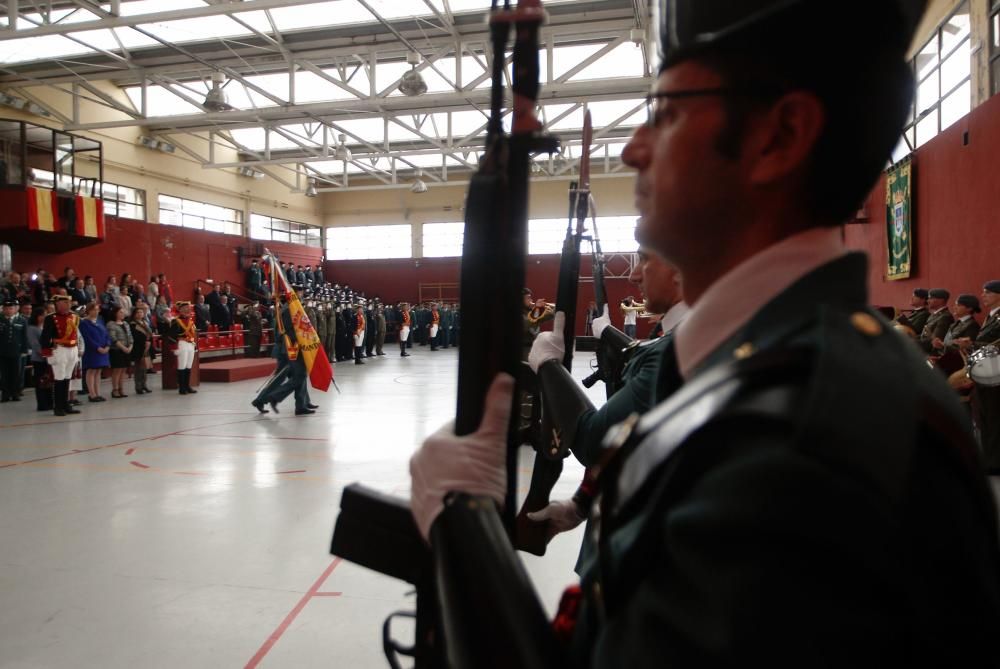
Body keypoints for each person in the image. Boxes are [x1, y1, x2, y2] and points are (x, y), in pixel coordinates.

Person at [408, 1, 1000, 665]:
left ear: (779, 137)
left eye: (666, 112)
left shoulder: (808, 444)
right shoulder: (749, 375)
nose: (634, 148)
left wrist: (464, 533)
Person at [525, 247, 688, 568]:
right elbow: (637, 443)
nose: (633, 274)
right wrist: (582, 504)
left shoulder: (675, 349)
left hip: (636, 548)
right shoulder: (682, 337)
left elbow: (599, 443)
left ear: (681, 268)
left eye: (645, 259)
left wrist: (548, 366)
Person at [40, 295, 82, 416]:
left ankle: (66, 404)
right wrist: (47, 350)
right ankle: (58, 406)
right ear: (58, 305)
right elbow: (45, 336)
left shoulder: (74, 316)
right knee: (59, 378)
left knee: (68, 377)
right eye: (64, 303)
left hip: (72, 349)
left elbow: (75, 334)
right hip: (59, 350)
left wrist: (77, 348)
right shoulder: (51, 318)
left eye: (68, 302)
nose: (67, 305)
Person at [79, 301, 110, 402]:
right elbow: (87, 338)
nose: (96, 312)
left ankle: (98, 393)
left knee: (98, 371)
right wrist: (97, 347)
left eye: (97, 310)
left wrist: (107, 345)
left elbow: (106, 334)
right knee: (91, 370)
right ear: (88, 311)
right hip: (92, 351)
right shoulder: (84, 323)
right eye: (94, 310)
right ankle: (92, 394)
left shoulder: (100, 321)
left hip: (103, 349)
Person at [25, 306, 53, 411]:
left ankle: (50, 402)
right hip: (39, 359)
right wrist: (44, 353)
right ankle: (42, 404)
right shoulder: (32, 328)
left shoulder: (45, 327)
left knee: (48, 381)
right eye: (42, 315)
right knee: (40, 382)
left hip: (48, 358)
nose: (44, 317)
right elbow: (35, 345)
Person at [0, 299, 28, 402]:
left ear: (14, 309)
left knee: (16, 373)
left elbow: (24, 336)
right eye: (6, 308)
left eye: (10, 308)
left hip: (16, 351)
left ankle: (15, 393)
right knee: (4, 373)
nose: (8, 310)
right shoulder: (1, 319)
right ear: (3, 309)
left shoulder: (21, 320)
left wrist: (25, 349)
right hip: (2, 351)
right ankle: (5, 394)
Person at [168, 301, 198, 395]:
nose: (187, 310)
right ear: (180, 310)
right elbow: (171, 336)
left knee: (189, 366)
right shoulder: (175, 321)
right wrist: (174, 348)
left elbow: (194, 334)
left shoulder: (191, 321)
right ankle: (181, 388)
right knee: (182, 366)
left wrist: (195, 345)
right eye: (184, 309)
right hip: (182, 344)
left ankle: (187, 386)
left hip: (190, 344)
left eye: (188, 308)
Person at [106, 306, 134, 398]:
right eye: (121, 312)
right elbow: (113, 338)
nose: (123, 314)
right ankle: (115, 390)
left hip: (126, 349)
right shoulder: (111, 324)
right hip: (117, 350)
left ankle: (121, 389)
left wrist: (130, 346)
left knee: (123, 370)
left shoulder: (126, 323)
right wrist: (123, 348)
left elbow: (130, 336)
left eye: (123, 312)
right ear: (115, 313)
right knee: (117, 370)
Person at [917, 288, 954, 352]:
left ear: (941, 300)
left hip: (931, 352)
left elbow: (935, 340)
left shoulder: (945, 317)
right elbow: (923, 335)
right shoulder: (934, 315)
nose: (927, 301)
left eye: (930, 298)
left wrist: (911, 343)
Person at [130, 304, 153, 395]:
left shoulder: (145, 323)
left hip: (146, 347)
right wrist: (144, 342)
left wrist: (148, 342)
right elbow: (135, 336)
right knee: (138, 368)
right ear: (134, 314)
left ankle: (144, 385)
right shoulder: (132, 324)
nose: (140, 314)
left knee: (144, 367)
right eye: (138, 312)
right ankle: (138, 386)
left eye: (141, 312)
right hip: (138, 348)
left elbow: (149, 334)